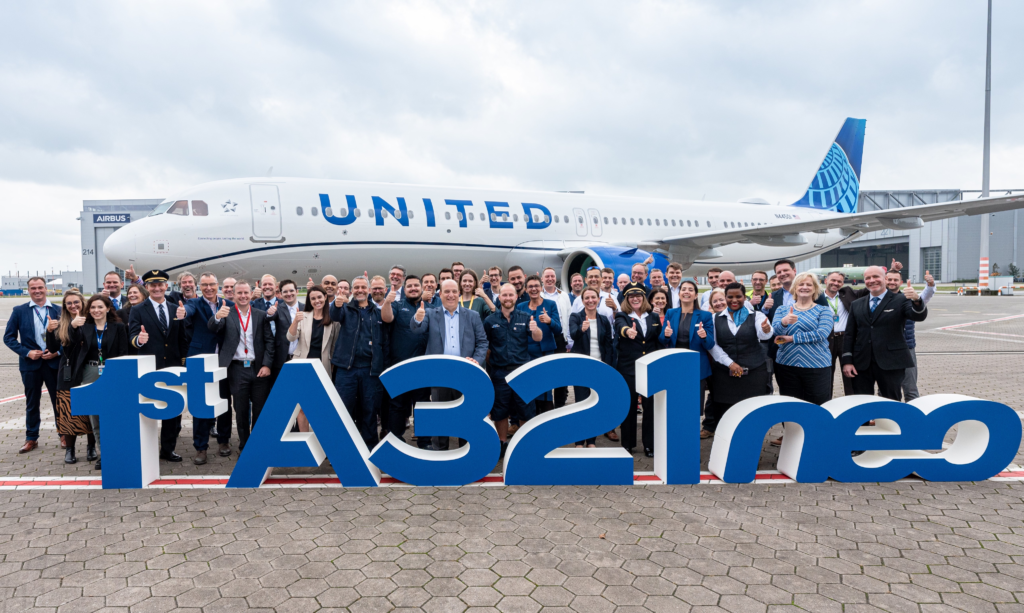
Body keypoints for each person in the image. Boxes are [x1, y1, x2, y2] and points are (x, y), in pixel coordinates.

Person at [411, 279, 489, 449]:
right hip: (440, 374)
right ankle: (440, 455)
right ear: (440, 294)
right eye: (447, 291)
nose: (451, 295)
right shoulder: (431, 314)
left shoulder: (473, 316)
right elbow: (417, 330)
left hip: (465, 374)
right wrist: (417, 319)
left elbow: (483, 342)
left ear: (459, 293)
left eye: (454, 291)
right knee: (440, 419)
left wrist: (477, 360)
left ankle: (467, 453)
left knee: (466, 419)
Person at [52, 294, 128, 468]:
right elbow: (67, 344)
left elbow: (123, 353)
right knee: (95, 418)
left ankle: (118, 449)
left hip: (112, 372)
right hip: (89, 373)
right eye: (93, 308)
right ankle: (103, 454)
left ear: (108, 308)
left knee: (114, 415)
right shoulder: (84, 327)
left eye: (100, 307)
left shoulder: (118, 327)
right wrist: (72, 326)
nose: (96, 310)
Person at [129, 270, 189, 462]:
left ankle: (168, 449)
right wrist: (139, 339)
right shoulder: (138, 309)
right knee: (147, 410)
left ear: (166, 286)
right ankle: (145, 450)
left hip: (172, 367)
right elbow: (131, 337)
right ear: (146, 287)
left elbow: (182, 339)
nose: (156, 288)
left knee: (172, 411)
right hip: (148, 367)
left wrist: (184, 362)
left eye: (160, 285)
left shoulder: (175, 308)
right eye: (152, 285)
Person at [842, 266, 928, 400]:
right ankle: (865, 422)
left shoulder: (901, 300)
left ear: (885, 279)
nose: (872, 280)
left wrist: (917, 300)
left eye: (876, 277)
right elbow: (849, 335)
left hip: (891, 362)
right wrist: (847, 360)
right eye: (868, 278)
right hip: (862, 363)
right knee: (861, 402)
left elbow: (919, 316)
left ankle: (889, 422)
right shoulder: (857, 304)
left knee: (890, 401)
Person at [208, 280, 275, 451]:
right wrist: (217, 316)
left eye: (246, 293)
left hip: (259, 368)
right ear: (234, 294)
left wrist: (267, 365)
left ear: (251, 294)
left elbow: (269, 342)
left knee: (260, 410)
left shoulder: (260, 315)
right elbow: (212, 328)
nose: (243, 296)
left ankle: (259, 445)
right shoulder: (226, 313)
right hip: (237, 369)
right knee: (241, 411)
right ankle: (245, 446)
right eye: (239, 293)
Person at [177, 272, 234, 462]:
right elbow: (187, 311)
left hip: (224, 361)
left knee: (224, 402)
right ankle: (200, 447)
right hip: (201, 361)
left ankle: (224, 441)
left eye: (211, 284)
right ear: (199, 287)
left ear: (217, 285)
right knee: (200, 405)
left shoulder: (229, 305)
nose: (208, 288)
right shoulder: (194, 304)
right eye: (204, 285)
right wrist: (182, 312)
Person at [706, 283, 773, 437]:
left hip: (754, 372)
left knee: (751, 411)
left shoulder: (757, 316)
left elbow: (764, 336)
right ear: (726, 297)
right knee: (725, 412)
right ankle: (727, 445)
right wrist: (730, 363)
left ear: (745, 297)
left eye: (738, 296)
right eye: (730, 297)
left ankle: (750, 447)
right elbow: (712, 345)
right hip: (724, 374)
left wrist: (766, 330)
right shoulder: (715, 318)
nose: (734, 300)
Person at [484, 283, 543, 457]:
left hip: (522, 371)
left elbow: (537, 338)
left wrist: (536, 329)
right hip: (499, 372)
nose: (508, 298)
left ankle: (524, 444)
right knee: (500, 410)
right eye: (505, 295)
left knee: (525, 408)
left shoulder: (526, 317)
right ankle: (501, 443)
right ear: (499, 298)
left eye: (511, 295)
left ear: (516, 297)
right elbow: (486, 347)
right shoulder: (490, 321)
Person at [4, 276, 61, 454]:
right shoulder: (19, 311)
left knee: (58, 402)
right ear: (28, 290)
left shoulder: (59, 310)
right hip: (30, 364)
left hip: (53, 363)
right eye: (33, 288)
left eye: (40, 287)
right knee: (32, 403)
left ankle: (64, 435)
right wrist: (27, 352)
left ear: (46, 289)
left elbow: (70, 338)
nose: (37, 291)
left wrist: (57, 352)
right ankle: (31, 438)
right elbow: (8, 338)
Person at [330, 276, 389, 448]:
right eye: (356, 287)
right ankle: (342, 448)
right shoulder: (345, 309)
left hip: (370, 371)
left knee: (369, 411)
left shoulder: (377, 313)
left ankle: (370, 447)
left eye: (363, 287)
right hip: (346, 370)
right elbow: (334, 316)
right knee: (343, 410)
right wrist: (337, 303)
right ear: (351, 290)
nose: (360, 290)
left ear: (369, 290)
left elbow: (383, 342)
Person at [45, 290, 96, 464]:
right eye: (69, 303)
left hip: (88, 370)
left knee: (91, 411)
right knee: (68, 413)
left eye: (76, 302)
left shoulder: (91, 320)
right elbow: (52, 349)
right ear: (65, 306)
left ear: (83, 302)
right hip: (68, 372)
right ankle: (70, 449)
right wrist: (50, 331)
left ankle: (91, 447)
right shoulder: (63, 323)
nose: (73, 305)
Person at [771, 273, 835, 406]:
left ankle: (817, 428)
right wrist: (784, 322)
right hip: (787, 364)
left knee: (818, 404)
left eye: (809, 284)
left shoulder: (824, 310)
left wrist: (791, 338)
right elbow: (776, 333)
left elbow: (822, 333)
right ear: (794, 288)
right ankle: (791, 428)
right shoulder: (782, 310)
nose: (804, 287)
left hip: (817, 365)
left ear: (815, 289)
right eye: (801, 284)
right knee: (790, 405)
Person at [614, 283, 662, 456]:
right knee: (630, 407)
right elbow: (620, 327)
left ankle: (649, 444)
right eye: (631, 296)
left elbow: (658, 341)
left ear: (644, 298)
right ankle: (628, 444)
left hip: (649, 369)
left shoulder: (653, 317)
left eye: (639, 295)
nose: (635, 298)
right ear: (626, 299)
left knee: (650, 408)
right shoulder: (622, 316)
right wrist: (628, 331)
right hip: (629, 368)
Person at [660, 280, 715, 429]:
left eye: (690, 290)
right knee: (675, 402)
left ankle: (690, 432)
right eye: (684, 289)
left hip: (696, 367)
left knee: (693, 404)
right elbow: (662, 339)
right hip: (675, 365)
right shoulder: (671, 313)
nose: (686, 292)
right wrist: (665, 334)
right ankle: (675, 430)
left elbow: (710, 344)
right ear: (679, 293)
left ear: (696, 295)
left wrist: (704, 336)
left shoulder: (704, 316)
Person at [380, 276, 429, 443]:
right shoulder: (397, 305)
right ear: (404, 289)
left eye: (416, 285)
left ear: (422, 288)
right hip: (400, 366)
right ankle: (396, 440)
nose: (413, 288)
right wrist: (387, 302)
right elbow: (387, 318)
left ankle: (424, 441)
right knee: (398, 406)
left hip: (423, 367)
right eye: (410, 286)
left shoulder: (429, 307)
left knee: (422, 406)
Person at [287, 285, 340, 432]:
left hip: (322, 367)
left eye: (319, 297)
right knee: (302, 407)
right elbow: (290, 337)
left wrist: (332, 366)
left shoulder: (333, 319)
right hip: (302, 367)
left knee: (320, 407)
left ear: (325, 297)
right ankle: (304, 442)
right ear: (309, 300)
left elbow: (335, 346)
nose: (317, 300)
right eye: (313, 298)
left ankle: (320, 441)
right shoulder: (303, 316)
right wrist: (295, 322)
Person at [569, 288, 617, 448]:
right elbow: (573, 335)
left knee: (594, 406)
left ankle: (591, 441)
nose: (590, 300)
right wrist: (582, 330)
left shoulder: (604, 320)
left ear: (598, 300)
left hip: (600, 369)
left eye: (593, 297)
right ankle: (578, 442)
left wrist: (608, 368)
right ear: (582, 301)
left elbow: (609, 346)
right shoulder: (575, 317)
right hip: (582, 369)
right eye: (587, 298)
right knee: (581, 405)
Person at [885, 269, 935, 401]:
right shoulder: (878, 300)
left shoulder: (910, 298)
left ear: (901, 282)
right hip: (885, 350)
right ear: (884, 280)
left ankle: (913, 418)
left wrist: (930, 285)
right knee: (886, 389)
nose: (892, 282)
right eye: (889, 279)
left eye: (895, 280)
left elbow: (924, 298)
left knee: (910, 389)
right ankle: (888, 418)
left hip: (907, 348)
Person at [517, 275, 562, 414]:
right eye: (530, 286)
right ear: (526, 289)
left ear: (541, 287)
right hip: (526, 354)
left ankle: (547, 423)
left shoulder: (550, 304)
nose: (534, 289)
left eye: (536, 285)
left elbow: (558, 330)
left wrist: (550, 321)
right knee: (529, 389)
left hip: (545, 353)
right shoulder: (521, 306)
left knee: (545, 390)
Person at [822, 270, 868, 398]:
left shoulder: (848, 293)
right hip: (826, 340)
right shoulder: (817, 298)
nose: (836, 283)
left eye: (839, 281)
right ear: (826, 281)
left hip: (846, 339)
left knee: (850, 374)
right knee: (826, 374)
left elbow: (870, 288)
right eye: (833, 280)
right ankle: (826, 404)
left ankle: (853, 405)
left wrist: (893, 271)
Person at [541, 267, 572, 408]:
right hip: (543, 339)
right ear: (542, 279)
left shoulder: (564, 295)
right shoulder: (539, 295)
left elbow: (568, 317)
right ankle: (546, 407)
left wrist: (569, 342)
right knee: (546, 375)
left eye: (552, 276)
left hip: (560, 339)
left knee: (561, 376)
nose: (550, 279)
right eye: (547, 276)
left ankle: (559, 407)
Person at [116, 285, 148, 354]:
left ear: (144, 295)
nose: (132, 295)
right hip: (131, 352)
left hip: (149, 350)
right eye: (130, 293)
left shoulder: (151, 311)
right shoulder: (121, 313)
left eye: (135, 292)